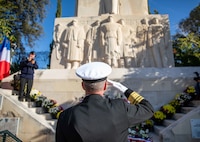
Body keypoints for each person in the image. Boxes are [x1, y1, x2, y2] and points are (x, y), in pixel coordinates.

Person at [56, 62, 154, 142]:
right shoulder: (120, 108)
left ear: (83, 85)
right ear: (105, 86)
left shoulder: (65, 116)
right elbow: (148, 109)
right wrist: (123, 89)